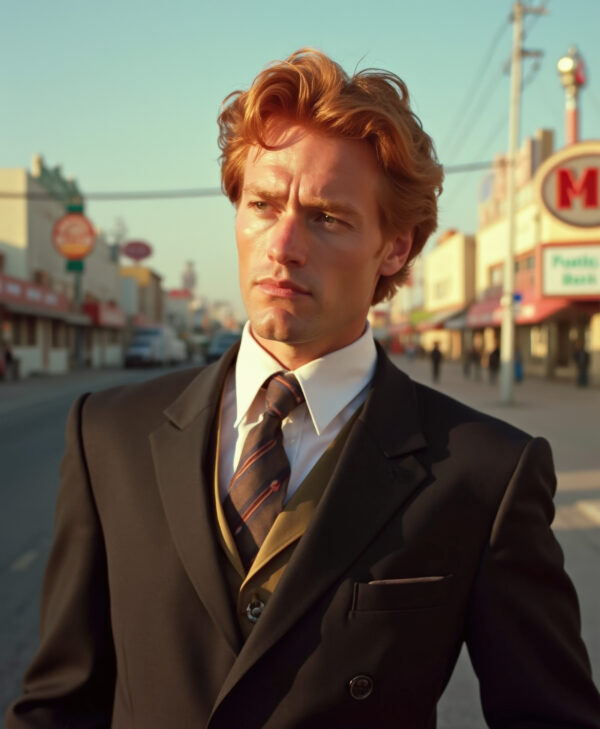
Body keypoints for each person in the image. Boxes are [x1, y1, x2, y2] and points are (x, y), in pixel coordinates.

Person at [7, 49, 600, 729]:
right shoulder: (107, 433)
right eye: (262, 205)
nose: (282, 243)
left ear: (396, 247)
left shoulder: (482, 472)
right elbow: (59, 703)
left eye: (327, 217)